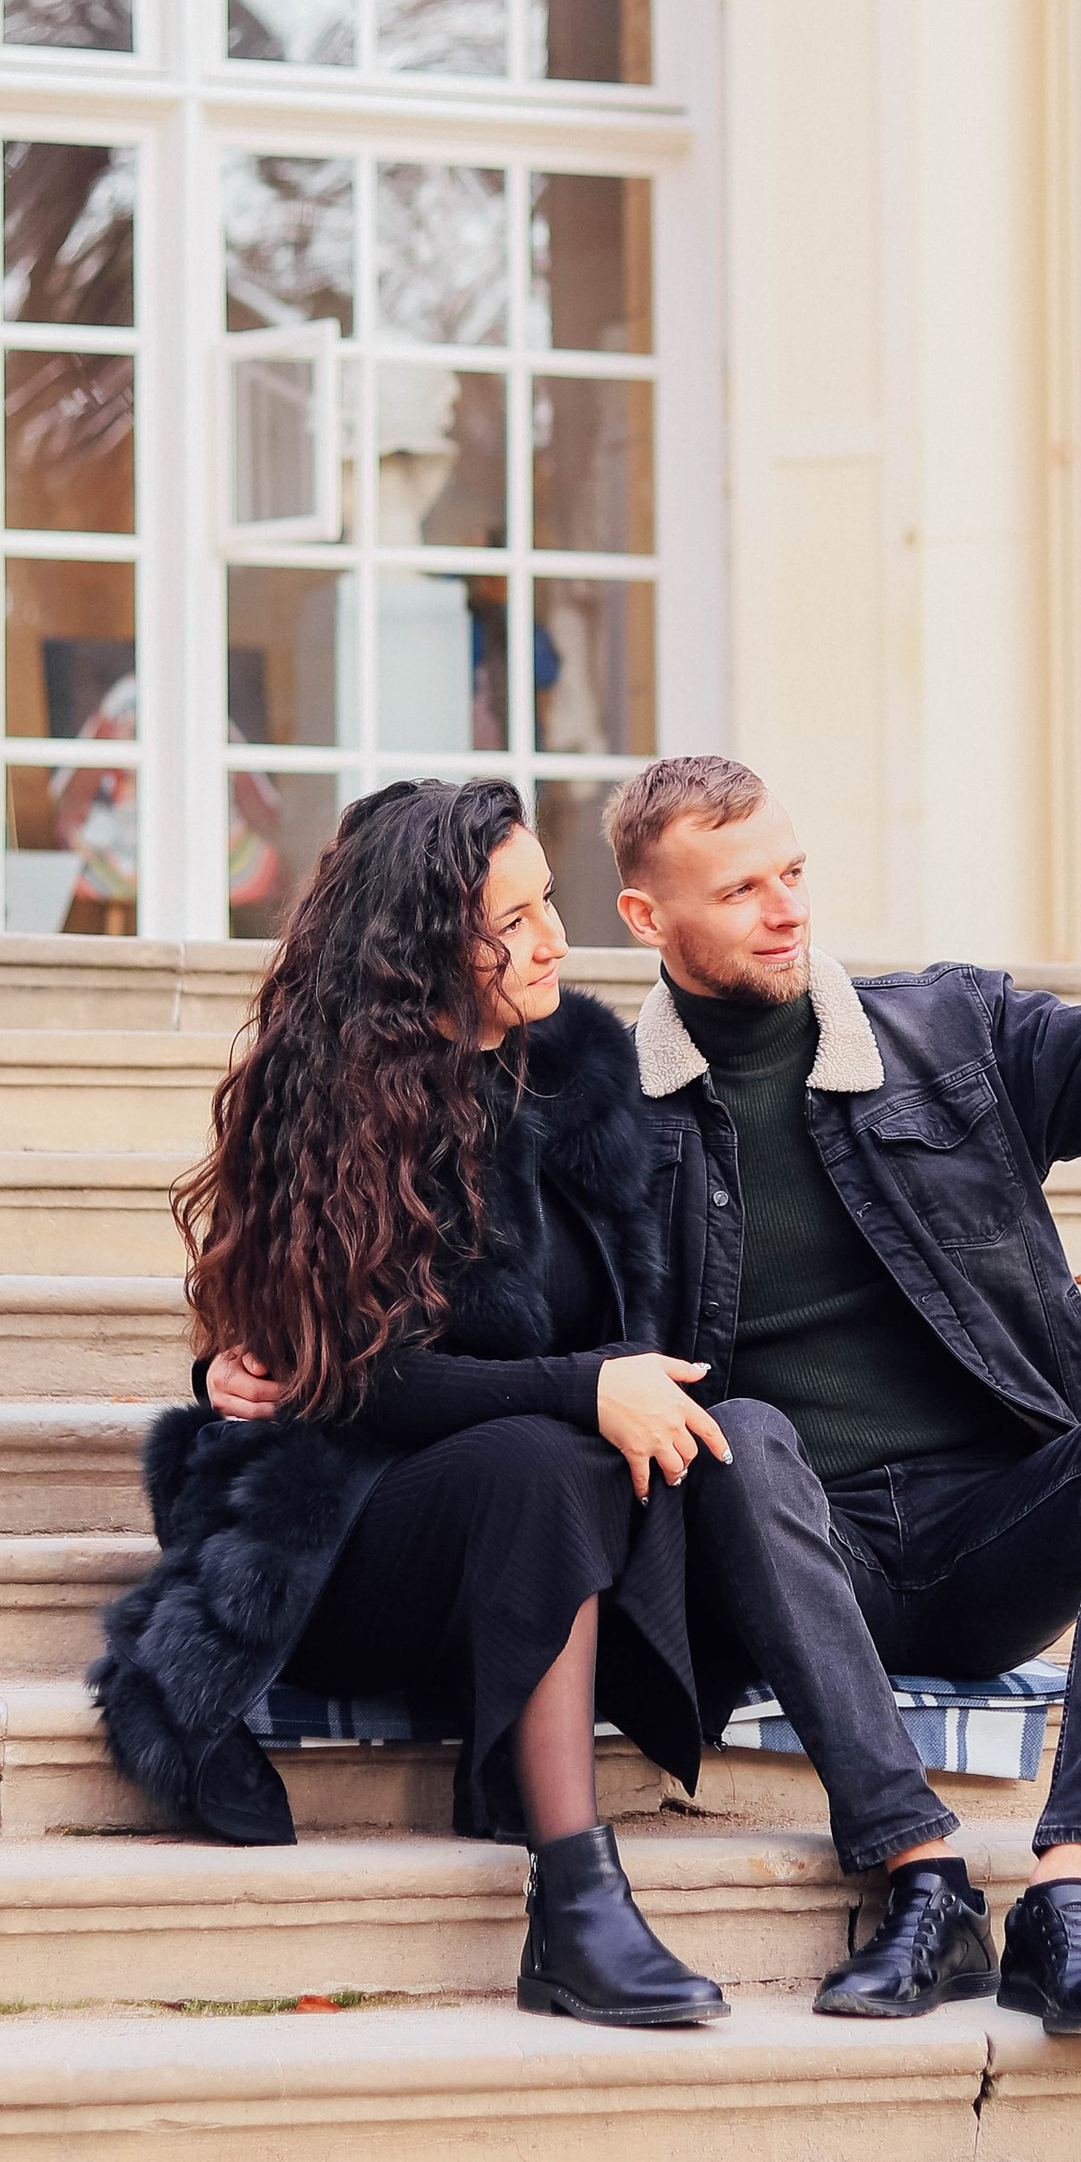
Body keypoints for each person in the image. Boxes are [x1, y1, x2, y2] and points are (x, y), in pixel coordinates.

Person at [207, 758, 1081, 2046]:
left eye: (793, 873)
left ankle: (1070, 1903)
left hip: (985, 1532)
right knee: (743, 1432)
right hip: (775, 1545)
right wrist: (251, 1353)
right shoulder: (588, 1110)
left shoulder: (952, 1035)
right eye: (740, 890)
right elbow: (420, 1282)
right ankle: (922, 1880)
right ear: (649, 920)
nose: (786, 910)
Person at [91, 775, 743, 2032]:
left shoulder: (586, 1087)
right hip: (360, 1540)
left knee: (617, 1454)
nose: (556, 938)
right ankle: (575, 1905)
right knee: (544, 1456)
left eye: (550, 902)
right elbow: (348, 1378)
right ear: (428, 942)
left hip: (546, 1534)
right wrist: (580, 1385)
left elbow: (647, 1328)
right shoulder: (328, 1106)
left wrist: (610, 1384)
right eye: (516, 918)